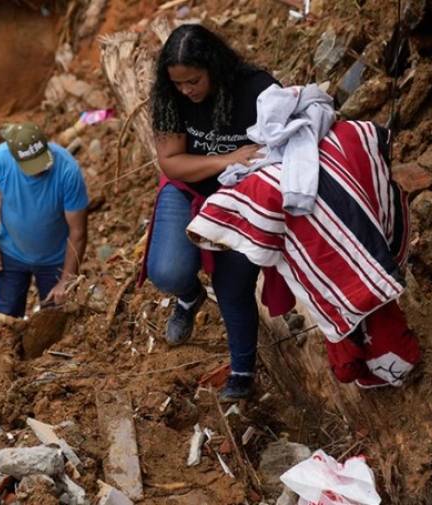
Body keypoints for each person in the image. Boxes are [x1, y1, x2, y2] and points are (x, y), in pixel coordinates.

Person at [144, 24, 278, 400]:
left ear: (215, 67)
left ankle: (241, 372)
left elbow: (284, 143)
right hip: (189, 187)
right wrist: (225, 160)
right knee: (167, 270)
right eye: (179, 83)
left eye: (194, 81)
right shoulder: (170, 98)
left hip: (243, 195)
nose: (187, 90)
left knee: (232, 284)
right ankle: (188, 296)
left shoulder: (258, 89)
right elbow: (171, 162)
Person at [0, 122, 88, 339]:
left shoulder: (67, 170)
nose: (40, 170)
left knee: (52, 325)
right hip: (11, 252)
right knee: (3, 320)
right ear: (15, 158)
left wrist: (66, 280)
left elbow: (78, 232)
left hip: (55, 258)